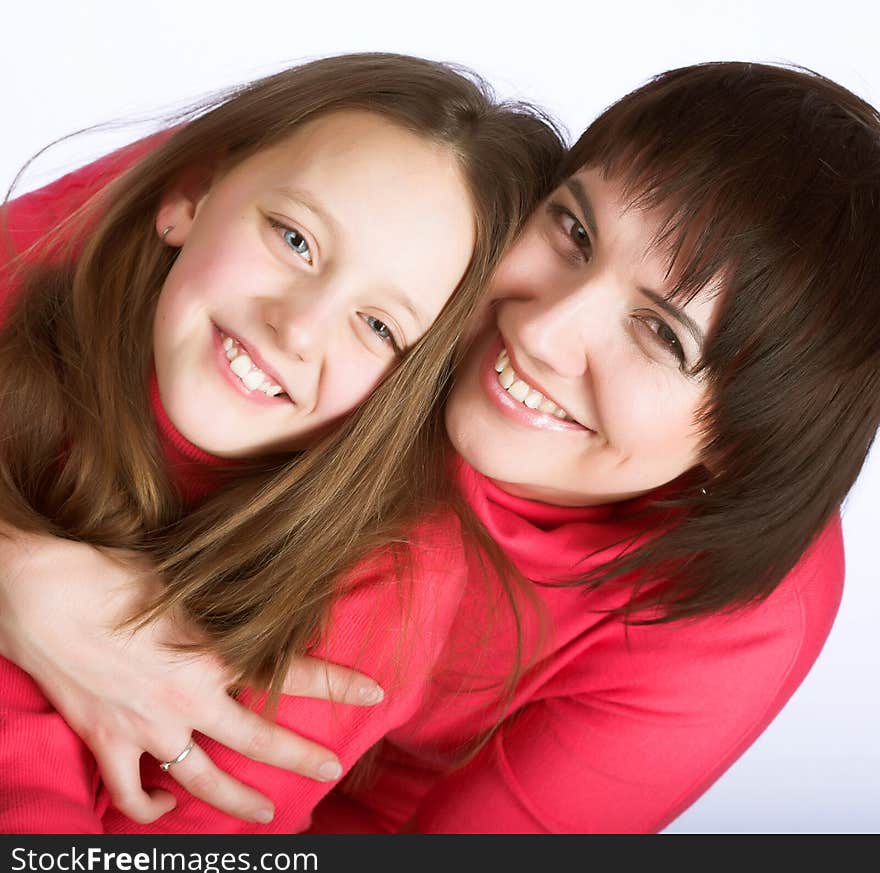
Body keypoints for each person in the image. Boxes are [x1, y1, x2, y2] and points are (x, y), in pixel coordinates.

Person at [3, 60, 878, 833]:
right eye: (574, 231)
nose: (541, 332)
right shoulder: (356, 203)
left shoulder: (719, 618)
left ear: (745, 445)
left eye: (659, 333)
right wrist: (22, 583)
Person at [0, 52, 563, 831]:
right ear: (190, 197)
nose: (296, 327)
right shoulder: (35, 308)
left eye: (378, 326)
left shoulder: (382, 588)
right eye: (295, 240)